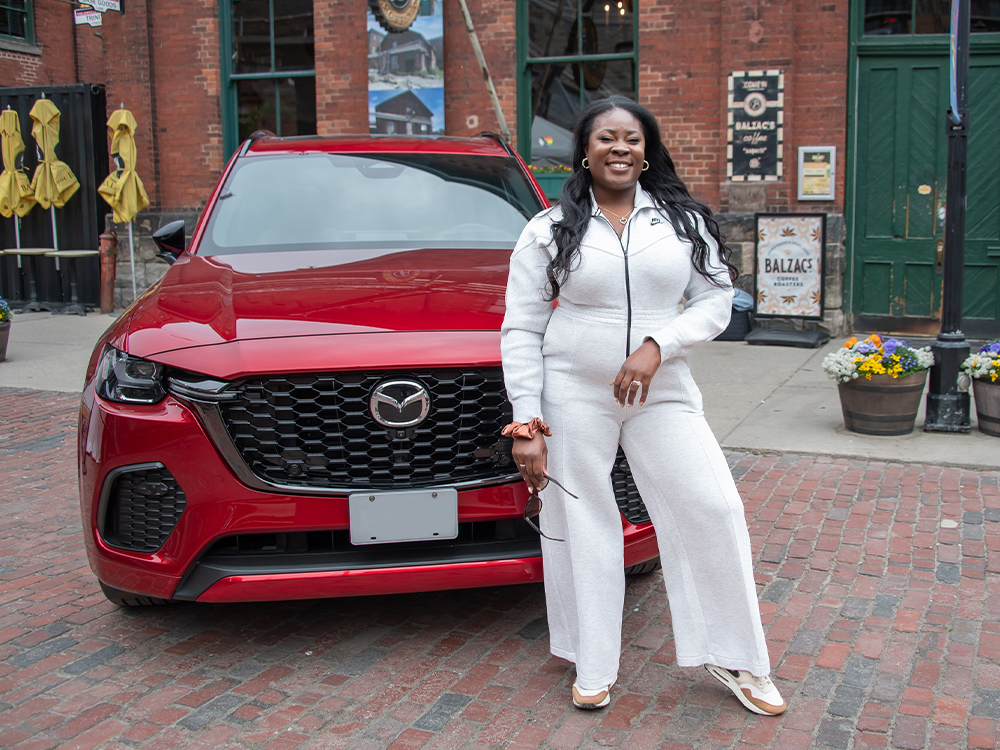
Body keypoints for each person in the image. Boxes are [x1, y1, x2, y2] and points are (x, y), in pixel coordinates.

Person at [499, 95, 786, 716]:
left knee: (713, 504)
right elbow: (521, 327)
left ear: (647, 149)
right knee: (584, 519)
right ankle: (592, 661)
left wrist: (660, 342)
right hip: (572, 391)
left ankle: (734, 653)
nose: (619, 148)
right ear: (585, 151)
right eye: (606, 138)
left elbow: (717, 299)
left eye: (631, 138)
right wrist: (527, 421)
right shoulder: (549, 228)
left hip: (664, 393)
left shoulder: (683, 222)